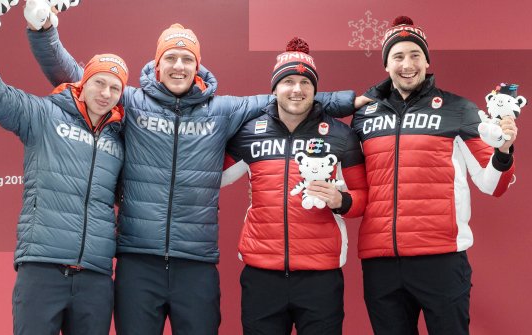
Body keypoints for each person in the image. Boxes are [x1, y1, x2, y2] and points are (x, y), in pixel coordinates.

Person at [26, 15, 364, 335]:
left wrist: (350, 101)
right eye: (170, 58)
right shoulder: (131, 101)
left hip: (196, 263)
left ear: (198, 66)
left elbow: (290, 97)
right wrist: (43, 32)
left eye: (187, 59)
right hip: (138, 261)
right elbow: (70, 75)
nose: (179, 66)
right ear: (158, 65)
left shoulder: (222, 109)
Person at [0, 13, 128, 335]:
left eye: (115, 87)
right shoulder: (43, 115)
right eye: (99, 82)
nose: (105, 93)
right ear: (83, 83)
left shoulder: (121, 137)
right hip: (42, 269)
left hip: (95, 276)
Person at [351, 16, 518, 335]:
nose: (407, 64)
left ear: (426, 60)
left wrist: (503, 151)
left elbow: (491, 184)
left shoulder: (459, 109)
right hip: (380, 262)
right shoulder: (363, 117)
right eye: (397, 56)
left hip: (441, 259)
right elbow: (350, 182)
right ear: (387, 65)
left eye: (415, 55)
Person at [222, 38, 368, 335]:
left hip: (320, 275)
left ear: (316, 90)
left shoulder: (340, 135)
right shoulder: (249, 132)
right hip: (262, 273)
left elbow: (363, 198)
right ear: (274, 88)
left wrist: (341, 200)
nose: (297, 89)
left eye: (305, 82)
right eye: (288, 81)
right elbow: (213, 178)